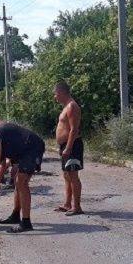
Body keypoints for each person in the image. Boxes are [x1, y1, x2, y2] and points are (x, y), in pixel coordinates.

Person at [0, 123, 45, 233]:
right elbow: (2, 165)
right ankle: (16, 215)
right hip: (23, 151)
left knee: (22, 182)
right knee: (17, 182)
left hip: (32, 148)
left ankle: (26, 223)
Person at [53, 81, 84, 215]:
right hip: (65, 145)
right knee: (67, 175)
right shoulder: (66, 106)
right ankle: (67, 204)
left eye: (55, 94)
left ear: (61, 92)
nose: (55, 97)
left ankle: (77, 207)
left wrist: (68, 148)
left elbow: (74, 130)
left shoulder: (72, 106)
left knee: (73, 175)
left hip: (72, 145)